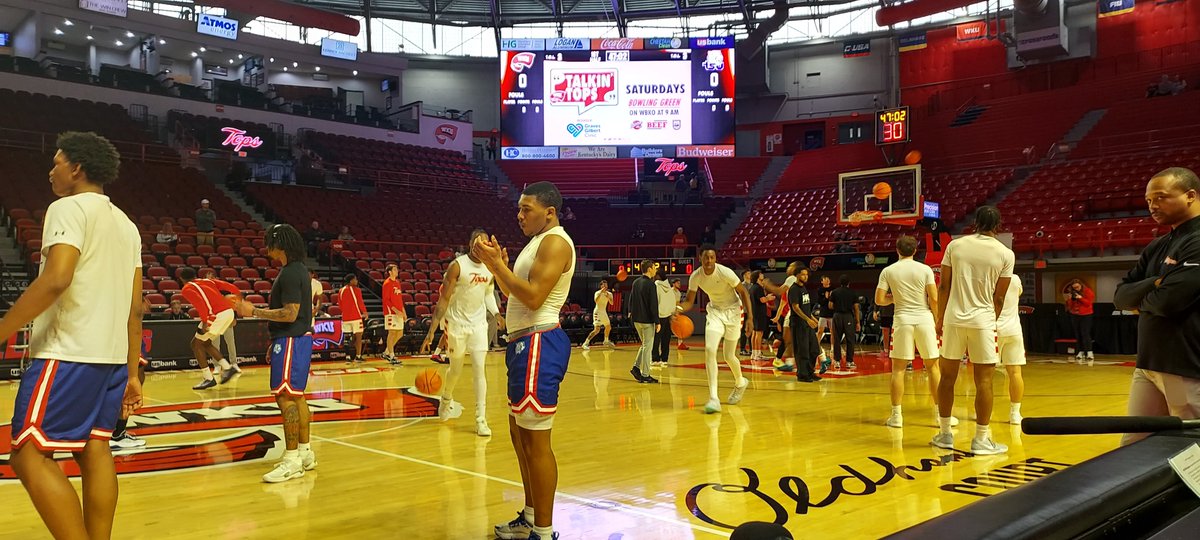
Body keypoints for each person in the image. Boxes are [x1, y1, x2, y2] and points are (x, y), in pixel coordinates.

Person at [0, 132, 141, 539]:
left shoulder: (67, 207)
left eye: (57, 163)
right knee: (94, 449)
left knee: (28, 454)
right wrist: (131, 372)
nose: (51, 171)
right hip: (111, 360)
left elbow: (56, 279)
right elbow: (135, 308)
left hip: (70, 352)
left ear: (77, 169)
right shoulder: (126, 224)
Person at [473, 181, 574, 540]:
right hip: (523, 343)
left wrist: (497, 265)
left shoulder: (556, 242)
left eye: (525, 209)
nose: (519, 215)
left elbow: (533, 298)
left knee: (536, 441)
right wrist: (499, 265)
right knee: (520, 436)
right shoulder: (536, 243)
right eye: (518, 209)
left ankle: (543, 532)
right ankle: (531, 517)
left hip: (540, 341)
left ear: (549, 212)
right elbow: (513, 290)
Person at [1114, 167, 1200, 446]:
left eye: (1161, 197)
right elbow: (1121, 297)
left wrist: (1144, 299)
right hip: (1149, 366)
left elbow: (1168, 303)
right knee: (1134, 445)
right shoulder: (1159, 245)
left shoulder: (1197, 242)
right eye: (1149, 200)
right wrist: (1155, 282)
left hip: (1178, 369)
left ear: (1190, 195)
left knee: (1187, 443)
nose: (1153, 206)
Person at [233, 224, 315, 482]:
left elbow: (290, 313)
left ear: (279, 244)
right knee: (297, 397)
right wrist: (276, 339)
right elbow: (295, 315)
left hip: (291, 340)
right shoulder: (299, 270)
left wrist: (252, 311)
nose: (266, 246)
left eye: (269, 241)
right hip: (295, 339)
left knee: (286, 399)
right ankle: (305, 453)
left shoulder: (291, 272)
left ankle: (291, 460)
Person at [932, 206, 1014, 456]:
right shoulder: (1005, 253)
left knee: (946, 378)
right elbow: (999, 298)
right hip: (983, 322)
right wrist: (991, 320)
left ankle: (945, 434)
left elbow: (944, 285)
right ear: (998, 225)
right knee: (984, 381)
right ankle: (981, 439)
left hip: (954, 319)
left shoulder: (955, 246)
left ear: (975, 223)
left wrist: (939, 318)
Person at [421, 229, 504, 437]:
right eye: (479, 242)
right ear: (470, 244)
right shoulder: (457, 266)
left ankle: (481, 418)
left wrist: (496, 313)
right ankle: (446, 398)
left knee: (479, 369)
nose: (483, 245)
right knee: (455, 369)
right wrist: (432, 330)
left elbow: (487, 294)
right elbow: (444, 300)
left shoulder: (489, 269)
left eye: (486, 243)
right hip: (456, 324)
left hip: (478, 325)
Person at [875, 235, 946, 428]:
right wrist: (938, 320)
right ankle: (942, 415)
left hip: (902, 319)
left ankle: (896, 416)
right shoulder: (925, 270)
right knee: (933, 368)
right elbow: (933, 298)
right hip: (924, 319)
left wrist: (894, 299)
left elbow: (879, 300)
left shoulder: (888, 270)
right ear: (915, 251)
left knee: (898, 370)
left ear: (897, 250)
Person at [677, 245, 754, 414]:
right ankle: (714, 398)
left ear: (715, 258)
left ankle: (740, 381)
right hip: (715, 312)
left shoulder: (725, 272)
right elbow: (689, 301)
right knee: (710, 350)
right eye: (706, 258)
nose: (709, 261)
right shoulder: (696, 276)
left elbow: (743, 293)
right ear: (700, 258)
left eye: (712, 257)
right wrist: (678, 308)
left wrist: (750, 317)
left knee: (729, 356)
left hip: (734, 311)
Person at [179, 267, 238, 389]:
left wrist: (206, 321)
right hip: (227, 312)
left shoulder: (187, 288)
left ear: (181, 279)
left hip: (216, 314)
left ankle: (208, 378)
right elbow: (228, 286)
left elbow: (201, 303)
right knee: (205, 343)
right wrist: (238, 298)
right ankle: (227, 368)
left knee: (196, 345)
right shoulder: (207, 281)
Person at [997, 277, 1027, 426]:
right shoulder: (1015, 279)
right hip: (1013, 329)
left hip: (993, 330)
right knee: (1015, 372)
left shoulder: (988, 276)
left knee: (985, 374)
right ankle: (1015, 413)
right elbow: (1018, 293)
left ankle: (983, 411)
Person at [199, 268, 241, 373]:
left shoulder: (224, 290)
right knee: (214, 344)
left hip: (226, 318)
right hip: (214, 320)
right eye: (207, 277)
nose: (209, 279)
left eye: (211, 277)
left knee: (230, 342)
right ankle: (217, 365)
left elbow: (232, 303)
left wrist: (234, 317)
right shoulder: (204, 292)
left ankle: (234, 363)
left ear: (216, 278)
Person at [786, 263, 822, 382]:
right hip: (798, 324)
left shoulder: (804, 288)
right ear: (797, 276)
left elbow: (805, 307)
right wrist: (807, 319)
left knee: (814, 349)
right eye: (803, 275)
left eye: (807, 275)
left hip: (807, 323)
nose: (806, 277)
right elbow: (796, 308)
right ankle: (802, 374)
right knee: (803, 350)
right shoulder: (794, 289)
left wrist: (812, 317)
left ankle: (810, 371)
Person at [628, 259, 660, 384]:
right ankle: (645, 374)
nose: (655, 270)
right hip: (647, 321)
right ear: (649, 269)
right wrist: (657, 321)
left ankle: (636, 367)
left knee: (644, 345)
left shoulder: (636, 282)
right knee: (648, 347)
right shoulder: (651, 285)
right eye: (654, 267)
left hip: (636, 320)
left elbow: (631, 299)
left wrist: (630, 313)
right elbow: (653, 305)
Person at [828, 275, 860, 370]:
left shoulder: (834, 292)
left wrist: (838, 306)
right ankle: (849, 361)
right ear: (849, 283)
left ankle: (837, 361)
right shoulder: (852, 292)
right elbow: (856, 308)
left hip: (837, 316)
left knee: (836, 339)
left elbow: (830, 306)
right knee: (850, 339)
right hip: (848, 316)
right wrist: (857, 322)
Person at [1062, 278, 1095, 364]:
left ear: (1081, 285)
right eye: (1074, 288)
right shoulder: (1072, 293)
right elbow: (1070, 305)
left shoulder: (1088, 291)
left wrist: (1080, 298)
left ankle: (1089, 352)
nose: (1076, 289)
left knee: (1085, 333)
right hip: (1075, 315)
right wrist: (1069, 299)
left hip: (1086, 315)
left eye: (1077, 287)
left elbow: (1088, 303)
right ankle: (1081, 351)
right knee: (1078, 334)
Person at [338, 273, 367, 363]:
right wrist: (365, 312)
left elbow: (340, 305)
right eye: (355, 279)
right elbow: (360, 302)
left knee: (347, 338)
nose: (357, 281)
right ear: (351, 281)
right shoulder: (357, 290)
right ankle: (358, 356)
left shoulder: (341, 290)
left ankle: (347, 357)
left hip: (345, 318)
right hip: (356, 317)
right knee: (358, 337)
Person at [381, 263, 407, 365]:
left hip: (399, 312)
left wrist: (403, 311)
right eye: (395, 269)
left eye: (397, 269)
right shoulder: (387, 283)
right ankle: (391, 355)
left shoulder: (397, 282)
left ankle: (386, 352)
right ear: (390, 272)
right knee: (392, 333)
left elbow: (400, 299)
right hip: (390, 312)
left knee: (399, 333)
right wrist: (396, 311)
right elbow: (386, 300)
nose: (397, 271)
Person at [653, 273, 678, 366]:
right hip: (668, 316)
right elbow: (673, 302)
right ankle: (664, 359)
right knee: (666, 340)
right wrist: (672, 313)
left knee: (656, 339)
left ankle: (655, 359)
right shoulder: (669, 288)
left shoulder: (656, 286)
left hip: (659, 316)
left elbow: (655, 302)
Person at [581, 280, 614, 350]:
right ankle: (585, 343)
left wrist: (608, 296)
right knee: (597, 330)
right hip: (597, 312)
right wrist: (601, 293)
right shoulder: (597, 293)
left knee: (608, 327)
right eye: (603, 285)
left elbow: (612, 303)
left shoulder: (610, 294)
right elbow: (596, 300)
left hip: (604, 312)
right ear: (601, 286)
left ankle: (606, 341)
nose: (605, 286)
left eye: (606, 285)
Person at [747, 271, 770, 361]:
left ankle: (754, 353)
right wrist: (768, 298)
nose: (762, 275)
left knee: (755, 333)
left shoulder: (752, 288)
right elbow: (762, 300)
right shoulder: (758, 288)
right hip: (760, 313)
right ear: (757, 276)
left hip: (754, 312)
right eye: (760, 274)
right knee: (759, 333)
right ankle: (758, 353)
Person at [815, 275, 835, 351]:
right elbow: (820, 302)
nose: (827, 280)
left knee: (833, 331)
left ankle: (833, 347)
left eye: (828, 279)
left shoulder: (833, 289)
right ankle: (816, 346)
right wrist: (825, 298)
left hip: (832, 314)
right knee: (820, 331)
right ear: (822, 281)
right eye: (825, 279)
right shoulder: (820, 290)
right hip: (823, 313)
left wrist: (830, 297)